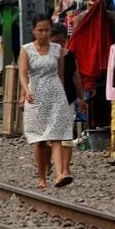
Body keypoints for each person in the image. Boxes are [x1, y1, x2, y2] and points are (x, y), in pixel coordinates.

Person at [19, 14, 75, 189]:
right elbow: (22, 73)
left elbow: (61, 74)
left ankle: (59, 175)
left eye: (47, 30)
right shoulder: (26, 49)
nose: (43, 34)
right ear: (34, 31)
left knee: (56, 136)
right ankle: (42, 177)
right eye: (40, 30)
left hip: (55, 95)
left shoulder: (57, 49)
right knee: (40, 140)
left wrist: (63, 95)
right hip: (36, 95)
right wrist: (26, 91)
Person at [50, 23, 87, 180]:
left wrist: (81, 98)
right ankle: (55, 166)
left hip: (67, 100)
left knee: (66, 136)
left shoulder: (70, 56)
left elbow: (76, 77)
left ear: (66, 40)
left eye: (61, 42)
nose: (58, 45)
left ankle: (65, 170)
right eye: (55, 41)